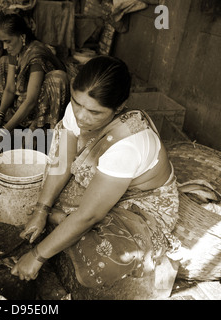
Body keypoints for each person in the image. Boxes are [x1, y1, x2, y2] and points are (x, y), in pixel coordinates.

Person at [10, 55, 181, 290]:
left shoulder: (128, 144)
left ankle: (65, 221)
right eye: (76, 103)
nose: (81, 116)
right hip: (108, 186)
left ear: (119, 107)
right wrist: (42, 209)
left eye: (95, 112)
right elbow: (62, 160)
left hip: (142, 203)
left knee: (102, 259)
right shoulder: (80, 108)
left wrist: (37, 256)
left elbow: (89, 216)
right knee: (47, 192)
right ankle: (62, 219)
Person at [0, 13, 70, 140]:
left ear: (22, 37)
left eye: (8, 41)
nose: (5, 47)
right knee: (3, 61)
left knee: (57, 78)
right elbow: (10, 88)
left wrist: (6, 130)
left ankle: (40, 126)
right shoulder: (15, 51)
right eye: (2, 42)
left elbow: (31, 100)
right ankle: (18, 119)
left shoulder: (35, 56)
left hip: (42, 102)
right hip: (27, 96)